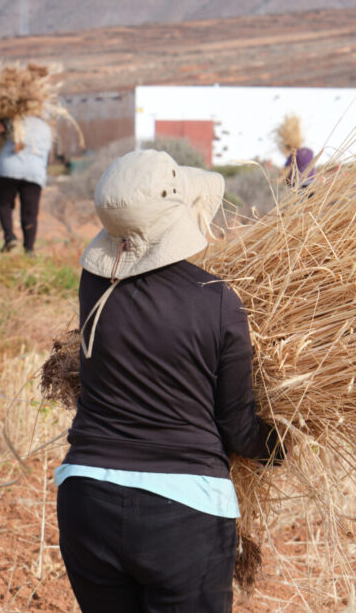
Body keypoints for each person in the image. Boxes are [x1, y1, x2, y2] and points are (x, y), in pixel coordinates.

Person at [55, 149, 284, 612]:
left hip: (85, 500)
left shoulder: (94, 286)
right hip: (182, 517)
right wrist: (280, 444)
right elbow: (237, 427)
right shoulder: (218, 302)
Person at [0, 115, 53, 254]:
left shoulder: (15, 119)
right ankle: (29, 249)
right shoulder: (47, 128)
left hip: (9, 169)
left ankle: (9, 237)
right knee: (30, 213)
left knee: (4, 204)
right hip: (35, 172)